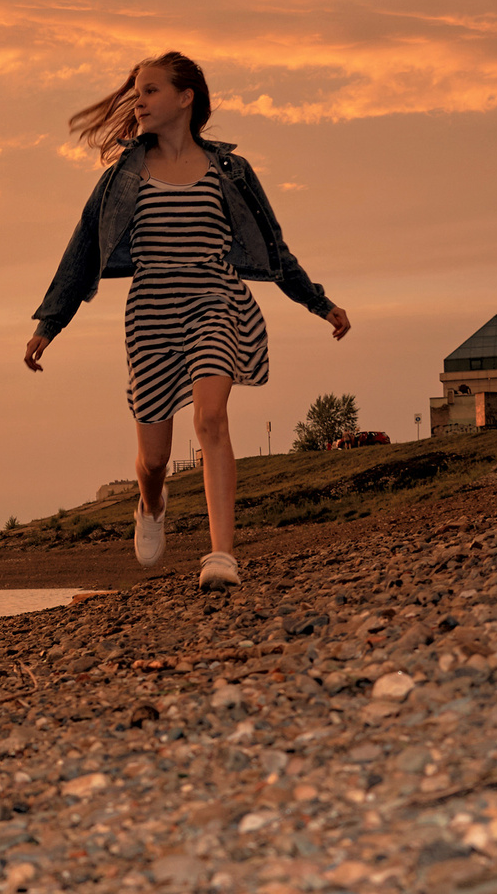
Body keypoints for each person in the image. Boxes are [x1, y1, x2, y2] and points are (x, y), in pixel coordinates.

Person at [23, 52, 349, 590]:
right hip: (150, 314)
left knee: (211, 419)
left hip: (215, 300)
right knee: (154, 460)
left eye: (150, 90)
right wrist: (48, 325)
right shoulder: (123, 176)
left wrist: (318, 302)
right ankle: (151, 508)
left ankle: (222, 556)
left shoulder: (230, 172)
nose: (139, 101)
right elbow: (81, 250)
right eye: (136, 92)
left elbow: (273, 248)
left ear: (185, 98)